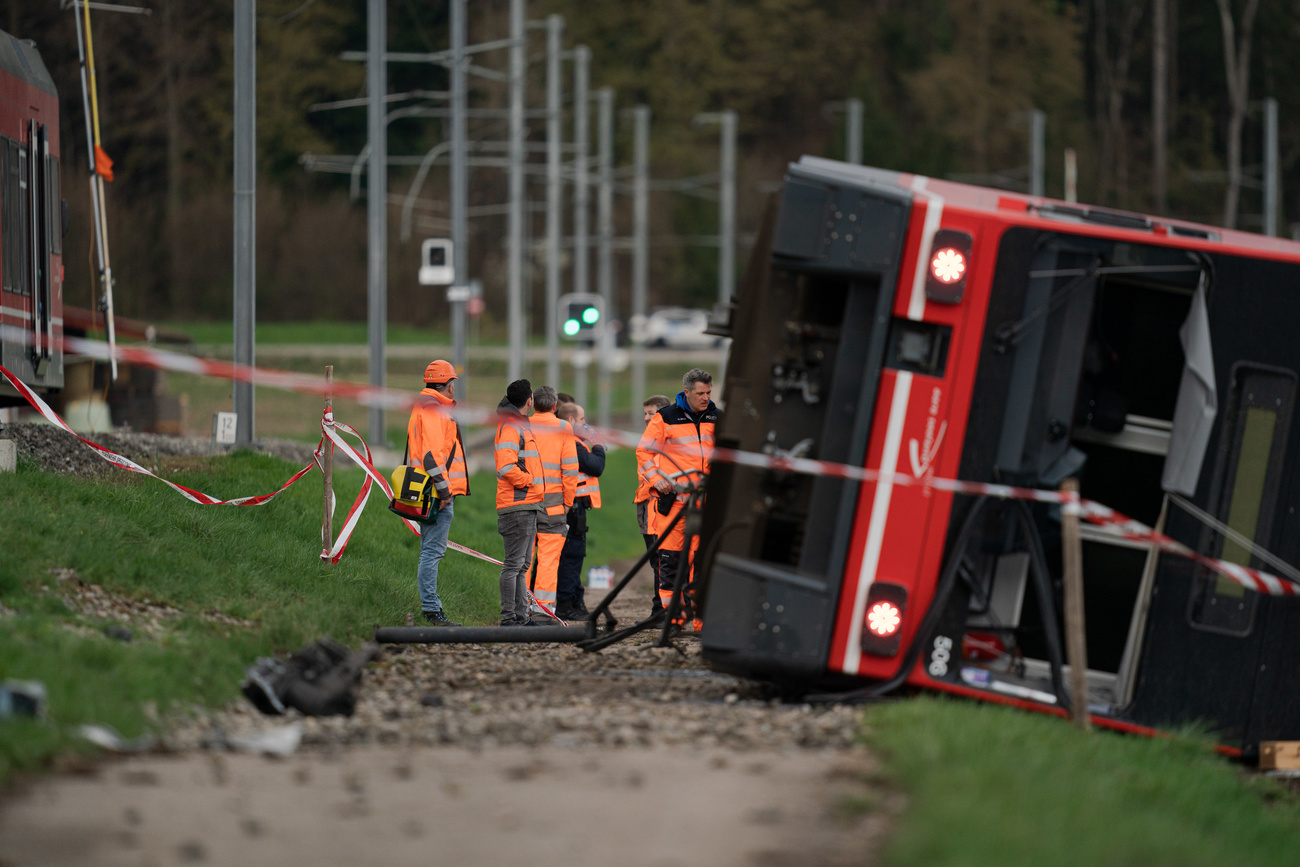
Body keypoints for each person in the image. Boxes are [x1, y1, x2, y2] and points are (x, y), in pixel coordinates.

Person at [637, 370, 720, 630]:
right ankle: (671, 620)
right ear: (687, 393)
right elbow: (644, 452)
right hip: (673, 503)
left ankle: (699, 621)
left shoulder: (718, 417)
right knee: (670, 563)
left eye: (708, 392)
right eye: (700, 394)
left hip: (704, 503)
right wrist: (656, 480)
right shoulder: (665, 418)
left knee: (701, 562)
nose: (706, 398)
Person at [406, 360, 469, 626]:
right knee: (432, 552)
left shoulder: (425, 405)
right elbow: (432, 457)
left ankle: (430, 608)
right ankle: (431, 610)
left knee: (430, 550)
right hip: (435, 493)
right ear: (449, 386)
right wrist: (445, 493)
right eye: (453, 383)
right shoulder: (433, 410)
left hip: (427, 489)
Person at [495, 379, 544, 626]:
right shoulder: (512, 426)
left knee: (522, 565)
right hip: (517, 505)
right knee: (514, 565)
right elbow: (505, 466)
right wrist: (528, 481)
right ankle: (509, 618)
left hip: (527, 504)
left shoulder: (519, 424)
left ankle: (521, 617)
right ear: (529, 400)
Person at [528, 386, 579, 613]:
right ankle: (544, 610)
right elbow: (570, 470)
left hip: (524, 500)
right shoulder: (563, 427)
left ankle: (520, 607)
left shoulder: (522, 425)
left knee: (523, 557)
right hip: (554, 503)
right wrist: (567, 502)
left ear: (532, 403)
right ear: (555, 406)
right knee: (549, 558)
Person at [555, 401, 606, 620]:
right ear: (571, 420)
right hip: (572, 507)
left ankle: (572, 603)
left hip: (572, 506)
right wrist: (598, 445)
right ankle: (566, 607)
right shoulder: (571, 442)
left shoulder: (570, 439)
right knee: (571, 557)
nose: (585, 423)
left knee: (570, 557)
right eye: (582, 419)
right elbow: (595, 466)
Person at [636, 395, 672, 615]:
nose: (646, 418)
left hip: (660, 508)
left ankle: (661, 610)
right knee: (658, 561)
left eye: (651, 413)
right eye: (645, 413)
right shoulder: (648, 440)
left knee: (663, 560)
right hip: (647, 507)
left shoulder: (665, 442)